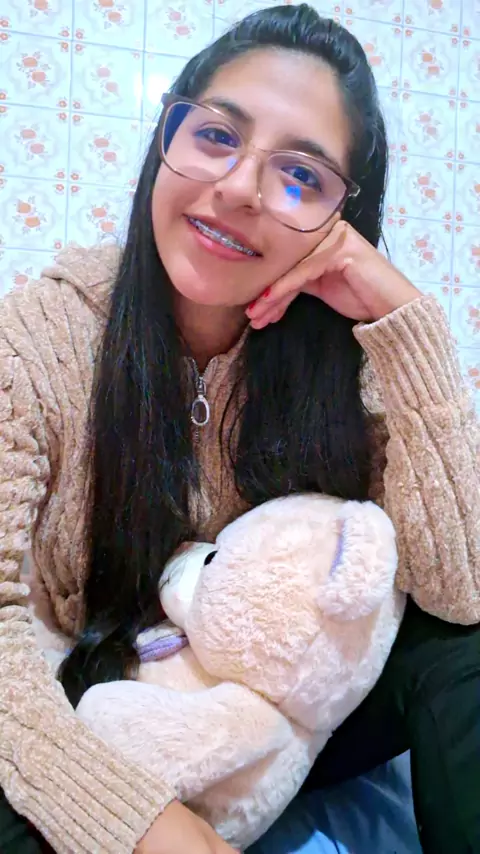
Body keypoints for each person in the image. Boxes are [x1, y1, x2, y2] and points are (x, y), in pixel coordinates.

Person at [0, 4, 478, 854]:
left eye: (301, 175)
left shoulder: (347, 359)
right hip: (103, 718)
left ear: (344, 215)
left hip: (274, 727)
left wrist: (409, 324)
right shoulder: (38, 340)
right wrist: (145, 826)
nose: (239, 189)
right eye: (217, 135)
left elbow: (463, 591)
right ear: (166, 138)